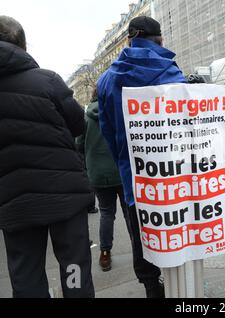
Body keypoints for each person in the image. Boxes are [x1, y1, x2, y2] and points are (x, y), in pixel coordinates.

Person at [0, 16, 95, 298]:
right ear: (22, 44)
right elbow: (79, 125)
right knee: (74, 269)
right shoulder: (47, 81)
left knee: (26, 276)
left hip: (13, 200)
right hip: (64, 194)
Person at [97, 16, 186, 298]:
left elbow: (108, 132)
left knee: (141, 235)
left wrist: (125, 159)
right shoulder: (173, 72)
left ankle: (151, 287)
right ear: (160, 40)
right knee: (175, 226)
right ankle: (179, 285)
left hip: (134, 176)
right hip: (174, 172)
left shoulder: (107, 80)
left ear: (128, 41)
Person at [77, 89, 131, 272]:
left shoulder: (85, 118)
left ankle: (105, 253)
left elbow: (78, 145)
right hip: (121, 170)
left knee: (107, 213)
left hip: (98, 174)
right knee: (128, 211)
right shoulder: (117, 112)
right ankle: (138, 247)